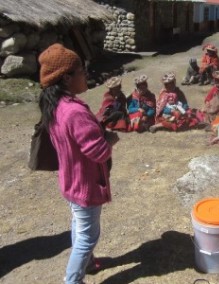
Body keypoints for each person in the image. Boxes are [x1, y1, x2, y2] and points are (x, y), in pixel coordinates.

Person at [38, 43, 119, 284]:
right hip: (85, 186)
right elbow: (98, 153)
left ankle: (89, 262)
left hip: (70, 182)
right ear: (66, 77)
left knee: (78, 226)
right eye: (82, 70)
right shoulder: (74, 112)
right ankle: (72, 280)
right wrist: (110, 140)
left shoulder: (56, 107)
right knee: (87, 237)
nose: (86, 74)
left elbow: (75, 141)